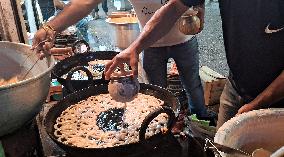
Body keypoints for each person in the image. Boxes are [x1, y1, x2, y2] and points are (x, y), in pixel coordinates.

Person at [216, 0, 284, 128]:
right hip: (234, 89)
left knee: (268, 147)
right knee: (219, 146)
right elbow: (176, 6)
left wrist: (259, 103)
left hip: (278, 102)